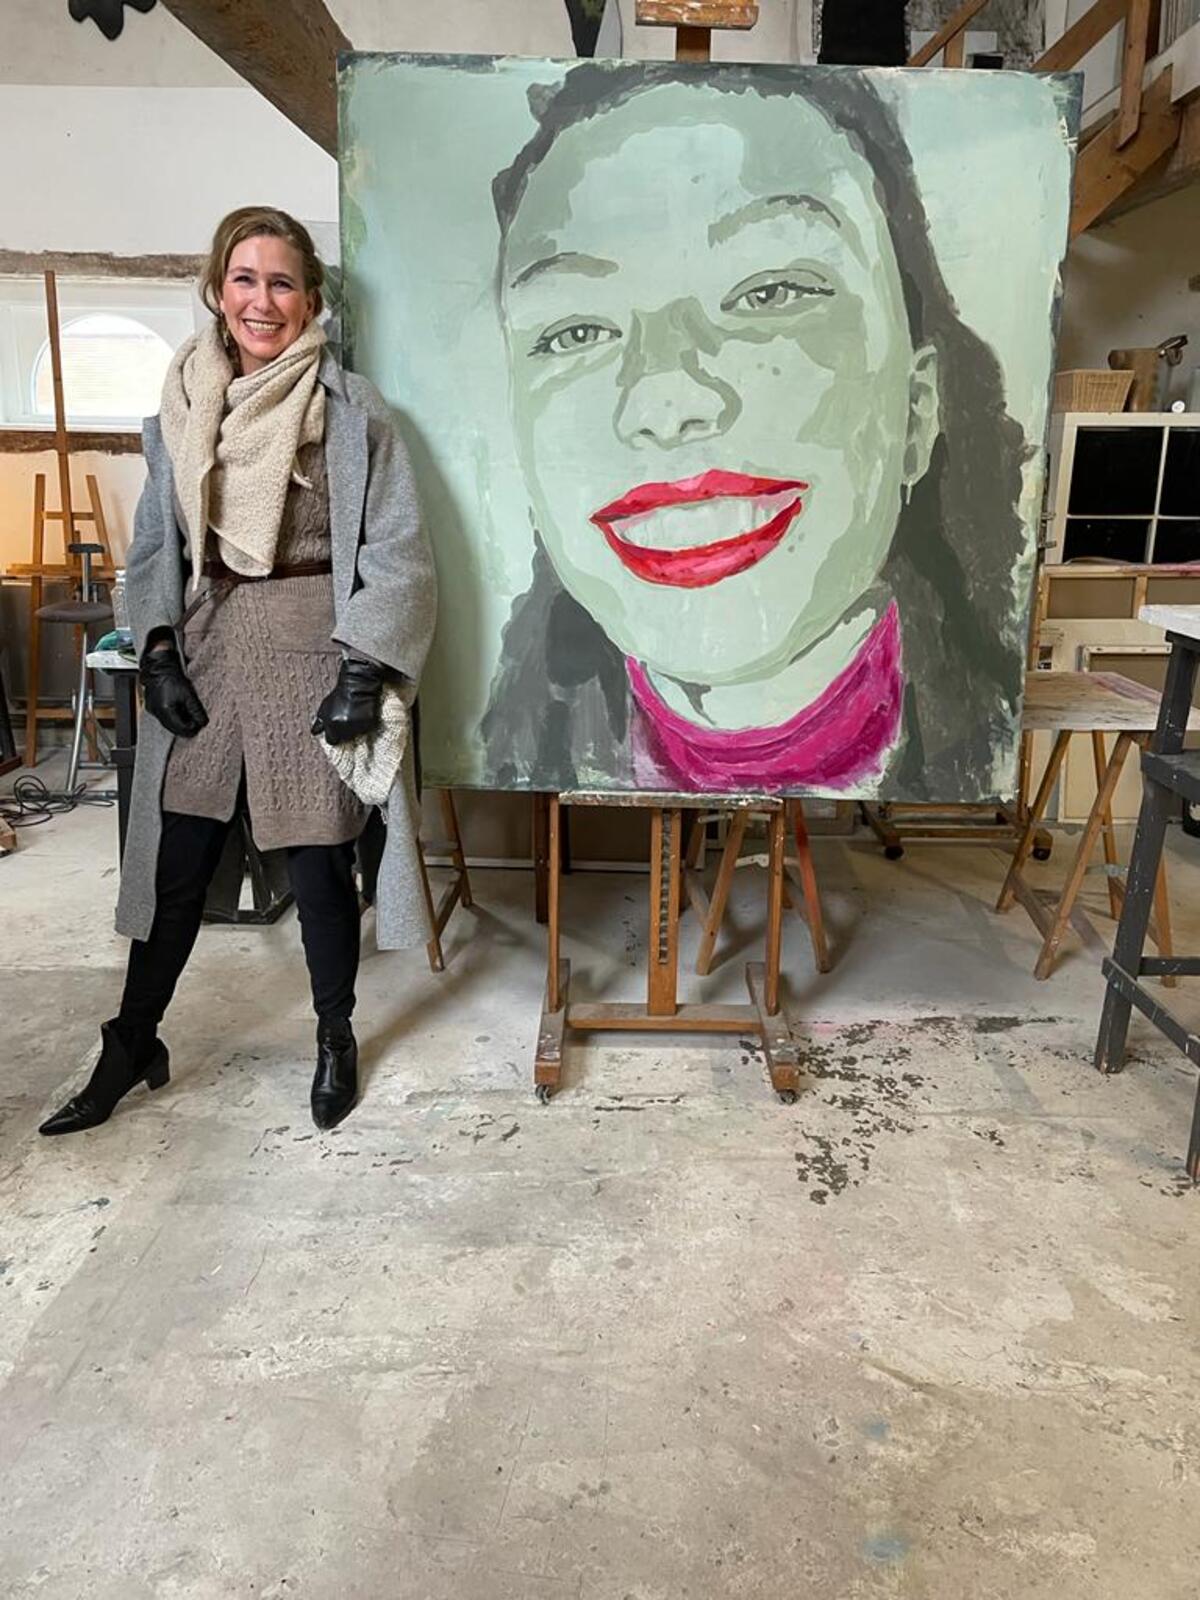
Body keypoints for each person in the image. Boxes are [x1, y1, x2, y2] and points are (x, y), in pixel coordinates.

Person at [482, 63, 1032, 801]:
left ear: (917, 408)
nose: (665, 398)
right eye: (575, 330)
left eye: (770, 291)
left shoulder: (972, 725)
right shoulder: (516, 736)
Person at [41, 206, 436, 1138]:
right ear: (219, 291)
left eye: (283, 282)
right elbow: (156, 544)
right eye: (245, 279)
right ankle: (132, 1042)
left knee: (318, 860)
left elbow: (400, 548)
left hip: (311, 649)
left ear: (311, 298)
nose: (263, 300)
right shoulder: (184, 406)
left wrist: (364, 667)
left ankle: (334, 1036)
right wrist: (159, 650)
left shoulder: (352, 411)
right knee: (176, 862)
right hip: (210, 648)